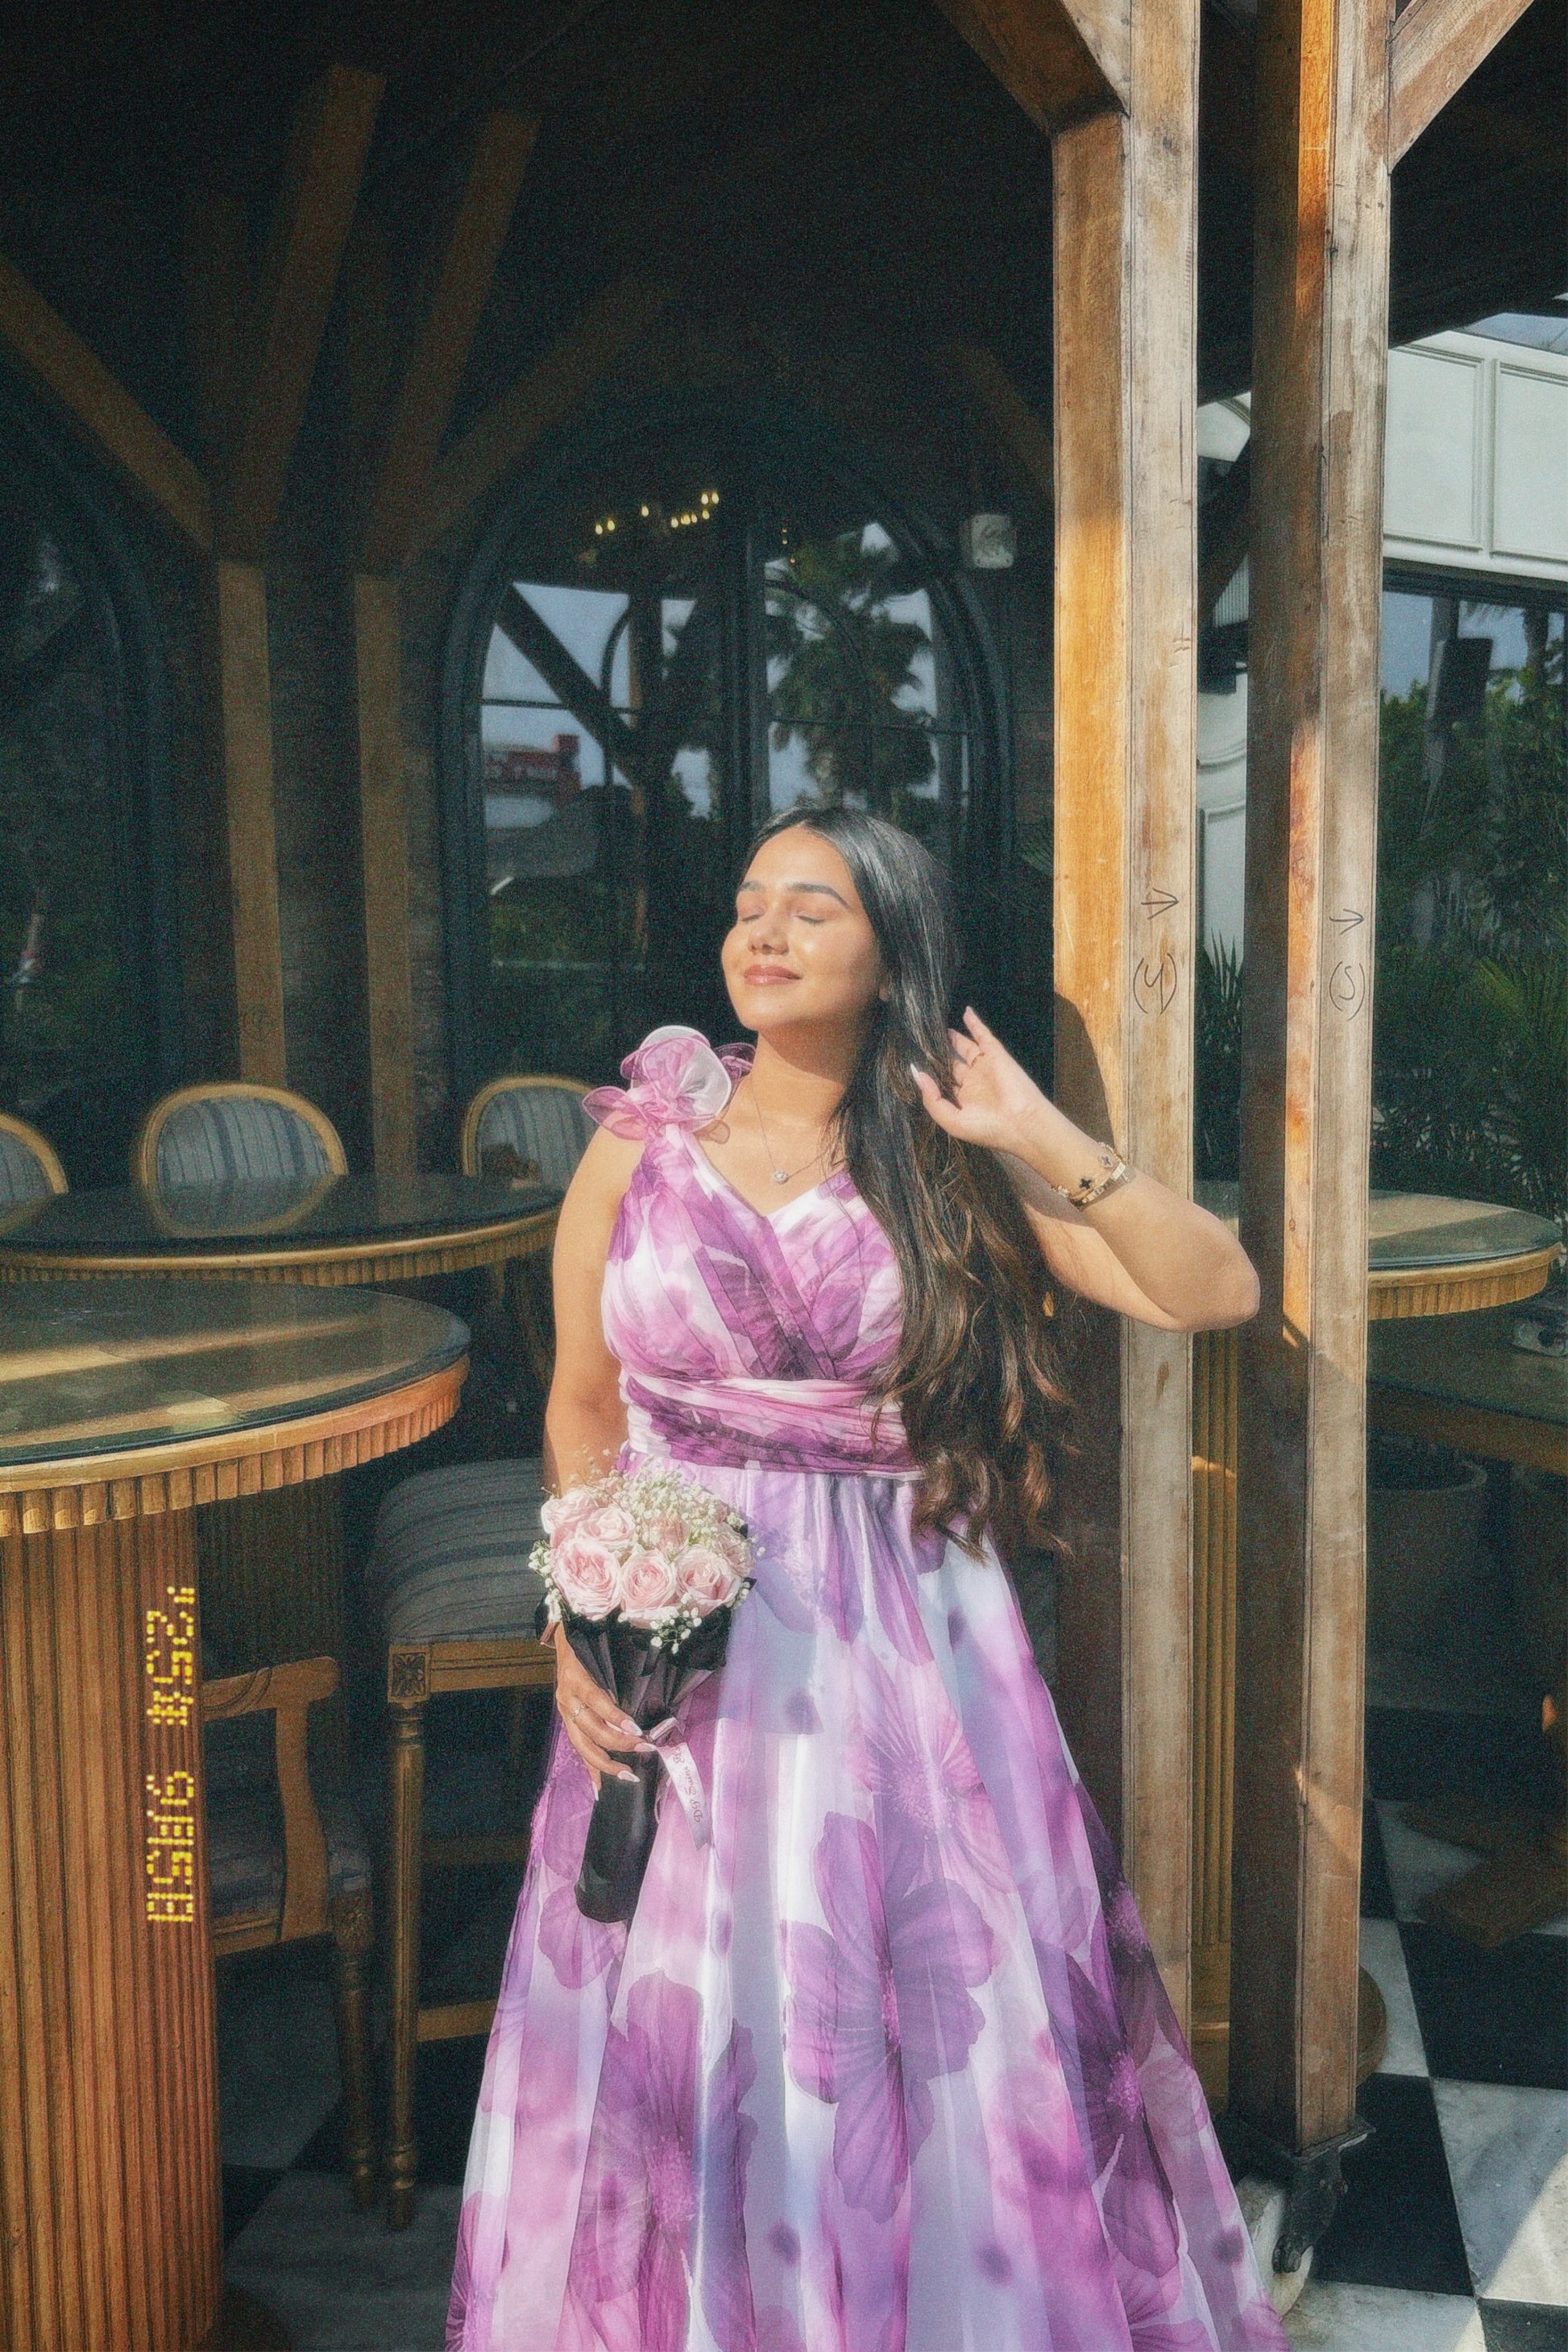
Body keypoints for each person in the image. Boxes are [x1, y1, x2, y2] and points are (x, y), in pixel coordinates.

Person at [448, 807, 1288, 2352]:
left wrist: (1034, 1132)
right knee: (692, 2006)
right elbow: (579, 1401)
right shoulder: (639, 1142)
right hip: (680, 1654)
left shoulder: (944, 1162)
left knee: (910, 2017)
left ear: (893, 952)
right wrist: (579, 1618)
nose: (760, 934)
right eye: (747, 905)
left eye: (810, 909)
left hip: (902, 1643)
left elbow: (1212, 1290)